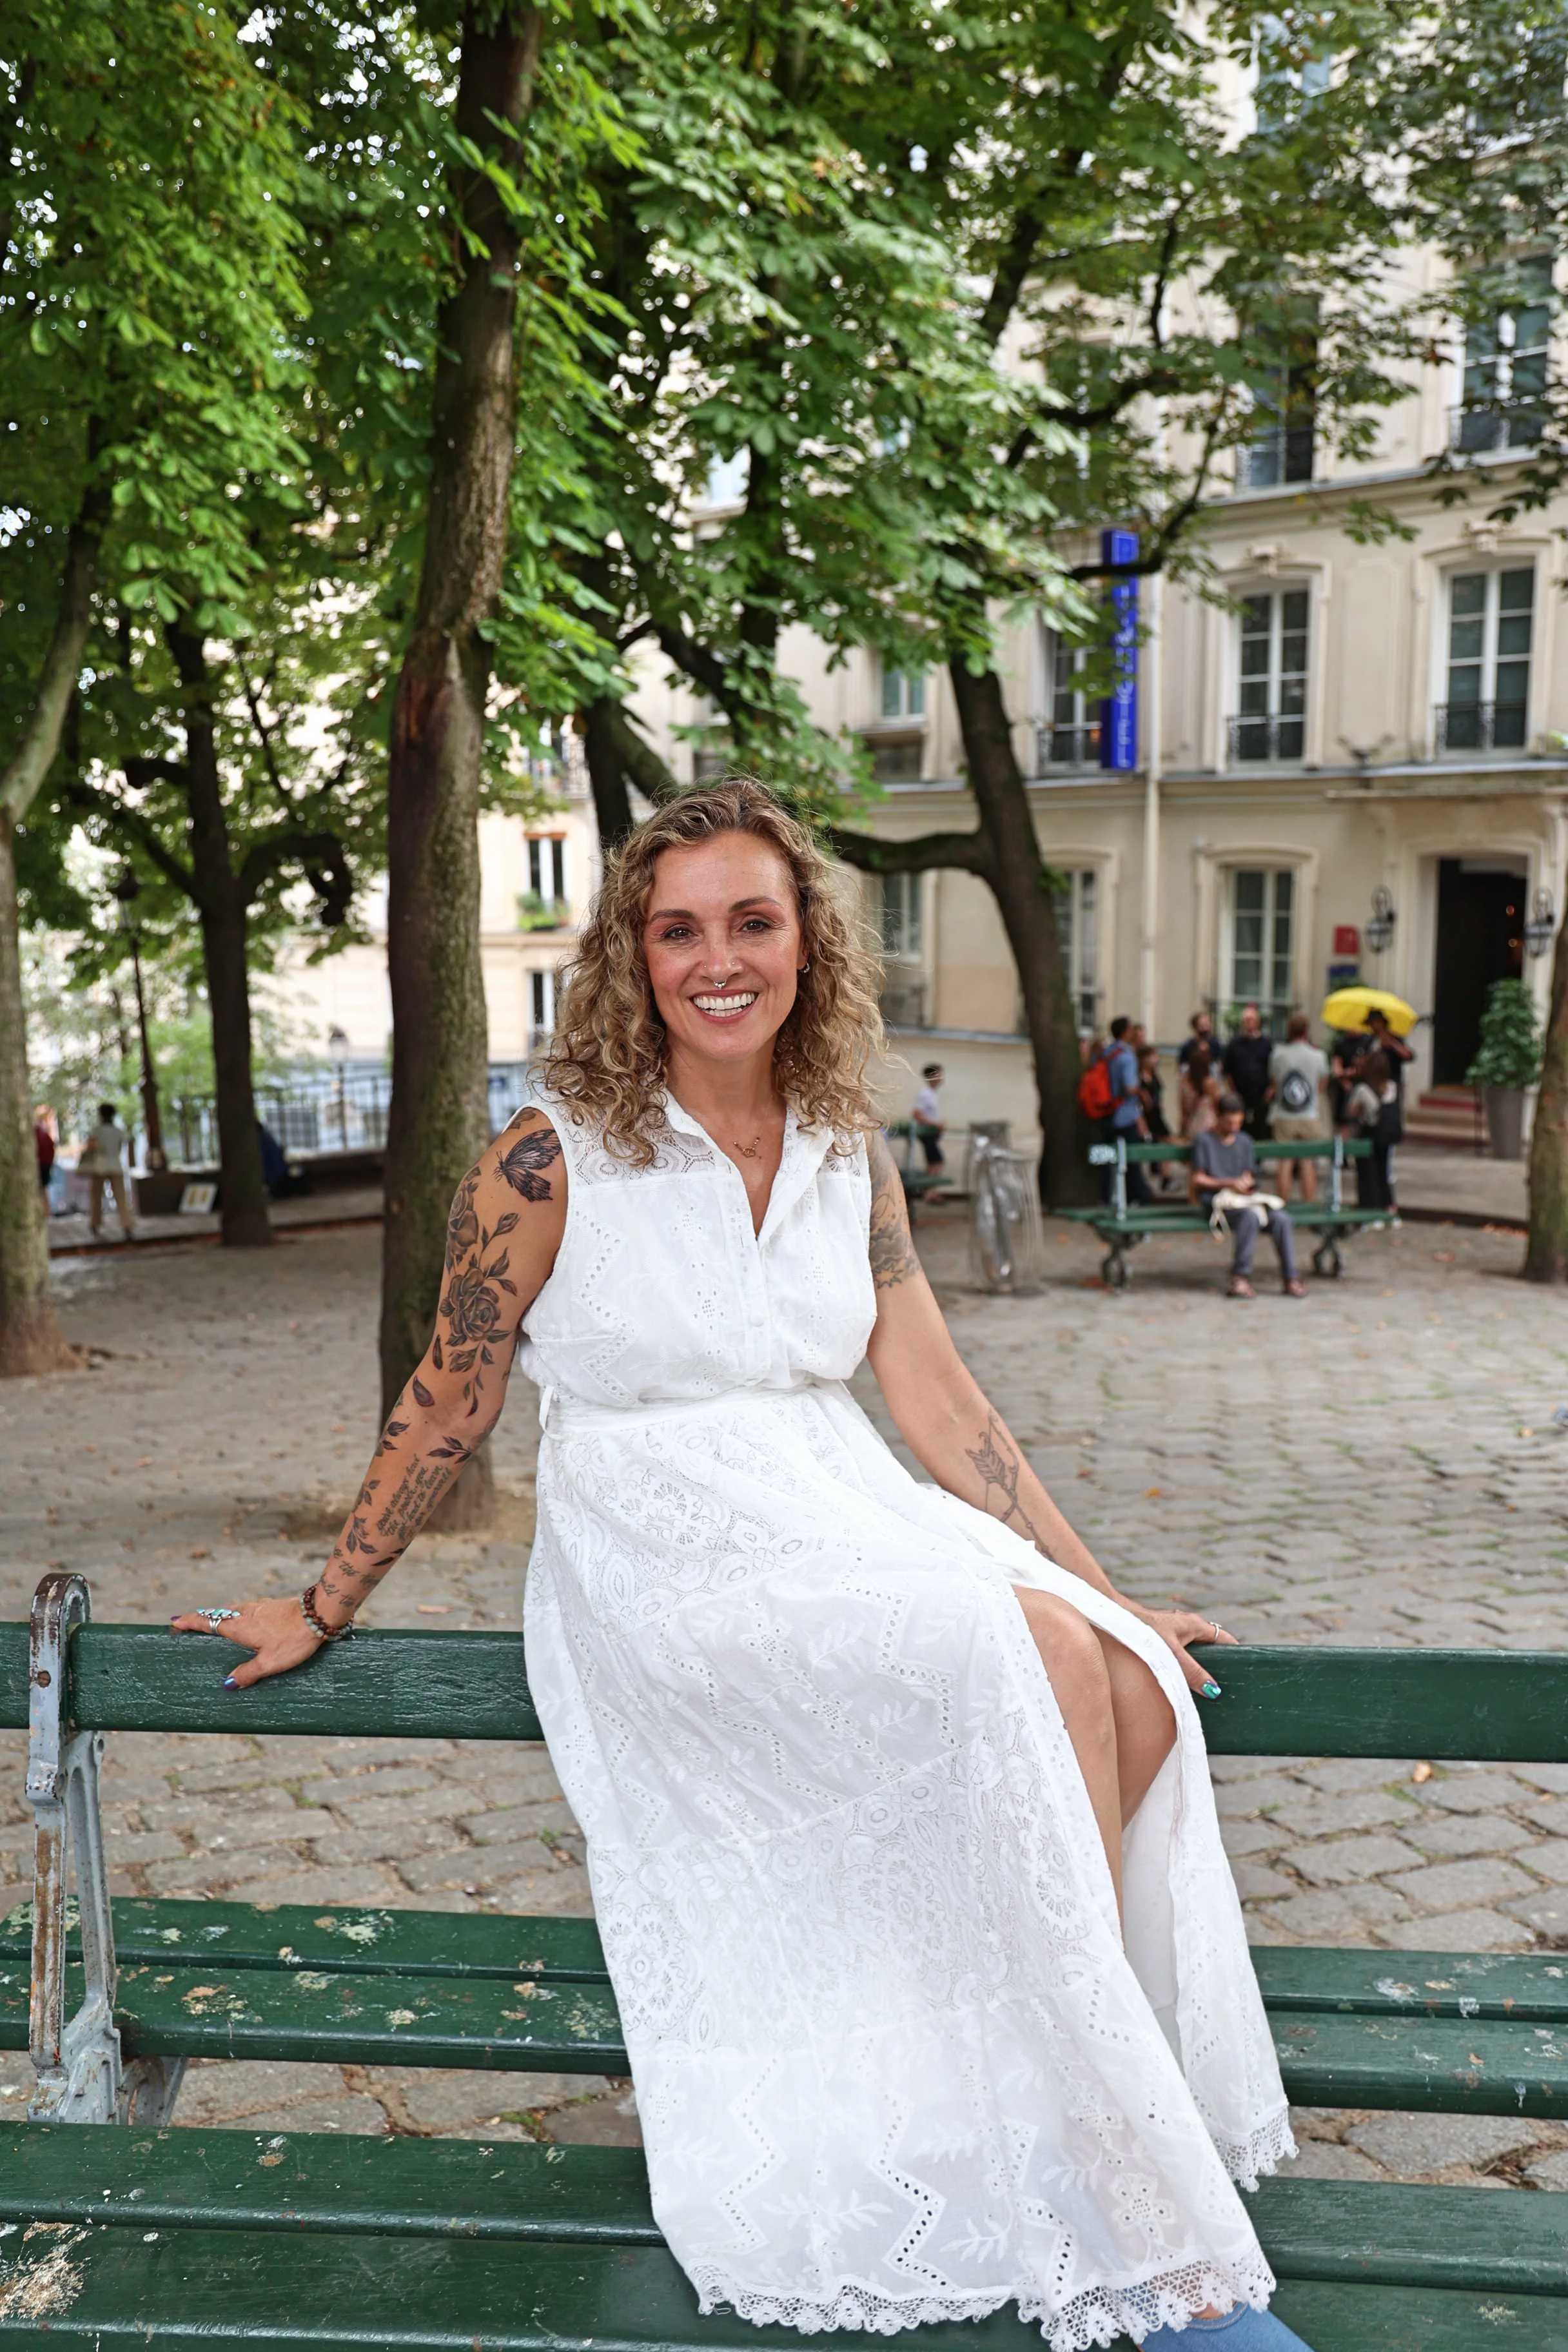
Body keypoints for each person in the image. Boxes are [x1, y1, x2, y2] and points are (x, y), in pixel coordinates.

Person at [174, 780, 1309, 2352]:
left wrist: (1100, 1585)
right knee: (1021, 1654)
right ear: (632, 956)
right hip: (662, 1556)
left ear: (804, 942)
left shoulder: (849, 1142)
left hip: (830, 1509)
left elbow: (934, 1395)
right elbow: (451, 1389)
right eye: (678, 928)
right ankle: (1102, 2162)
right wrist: (321, 1600)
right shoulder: (545, 1156)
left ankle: (1045, 2089)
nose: (719, 958)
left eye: (751, 921)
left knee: (1107, 1665)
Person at [1191, 1092, 1306, 1301]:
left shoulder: (1244, 1141)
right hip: (1218, 1201)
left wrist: (1246, 1184)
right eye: (1229, 1122)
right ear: (1219, 1117)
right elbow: (1198, 1179)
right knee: (1250, 1218)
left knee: (1282, 1219)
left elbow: (1249, 1174)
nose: (1234, 1127)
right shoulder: (1204, 1141)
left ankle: (1291, 1278)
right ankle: (1240, 1277)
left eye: (1238, 1122)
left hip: (1243, 1198)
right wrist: (1228, 1183)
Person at [1267, 1015, 1329, 1202]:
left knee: (1284, 1162)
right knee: (1308, 1162)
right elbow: (1322, 1084)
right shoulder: (1318, 1056)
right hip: (1309, 1114)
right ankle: (1309, 1203)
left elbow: (1276, 1083)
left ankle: (1281, 1204)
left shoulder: (1278, 1054)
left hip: (1285, 1113)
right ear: (1307, 1031)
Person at [1099, 1013, 1152, 1205]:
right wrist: (1143, 1093)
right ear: (1125, 1032)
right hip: (1125, 1115)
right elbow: (1129, 1087)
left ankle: (1106, 1195)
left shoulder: (1107, 1053)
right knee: (1130, 1158)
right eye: (1131, 1029)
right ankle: (1138, 1196)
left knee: (1106, 1158)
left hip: (1105, 1112)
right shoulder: (1127, 1056)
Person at [1345, 1048, 1397, 1211]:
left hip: (1368, 1134)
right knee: (1383, 1172)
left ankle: (1370, 1207)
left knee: (1367, 1174)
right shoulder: (1392, 1087)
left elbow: (1352, 1111)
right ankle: (1388, 1205)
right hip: (1386, 1135)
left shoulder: (1363, 1089)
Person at [80, 1101, 137, 1240]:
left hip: (99, 1165)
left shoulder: (96, 1131)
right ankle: (127, 1224)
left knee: (96, 1197)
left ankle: (95, 1223)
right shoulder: (118, 1131)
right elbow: (127, 1142)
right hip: (115, 1165)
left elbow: (91, 1147)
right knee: (121, 1197)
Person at [1220, 1004, 1273, 1140]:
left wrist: (1270, 1091)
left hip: (1261, 1096)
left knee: (1260, 1129)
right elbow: (1227, 1071)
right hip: (1240, 1096)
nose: (1249, 1023)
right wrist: (1232, 1092)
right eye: (1246, 1020)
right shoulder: (1235, 1044)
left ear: (1258, 1022)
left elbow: (1273, 1069)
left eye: (1252, 1020)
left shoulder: (1266, 1044)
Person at [1181, 1040, 1222, 1139]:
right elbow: (1217, 1104)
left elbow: (1184, 1109)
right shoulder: (1210, 1083)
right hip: (1208, 1123)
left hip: (1193, 1124)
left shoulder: (1184, 1083)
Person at [911, 1061, 945, 1172]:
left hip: (932, 1134)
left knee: (933, 1162)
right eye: (938, 1075)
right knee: (937, 1162)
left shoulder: (932, 1093)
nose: (941, 1077)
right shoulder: (925, 1094)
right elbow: (916, 1115)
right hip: (927, 1133)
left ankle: (930, 1190)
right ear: (931, 1077)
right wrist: (935, 1124)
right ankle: (930, 1190)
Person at [1178, 1008, 1215, 1077]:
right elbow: (1182, 1068)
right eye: (1203, 1025)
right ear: (1195, 1026)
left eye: (1207, 1024)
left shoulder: (1216, 1044)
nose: (1206, 1028)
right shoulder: (1187, 1046)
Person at [34, 1107, 56, 1201]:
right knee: (42, 1190)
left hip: (42, 1162)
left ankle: (45, 1213)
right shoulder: (41, 1130)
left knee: (42, 1189)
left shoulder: (41, 1130)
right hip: (44, 1162)